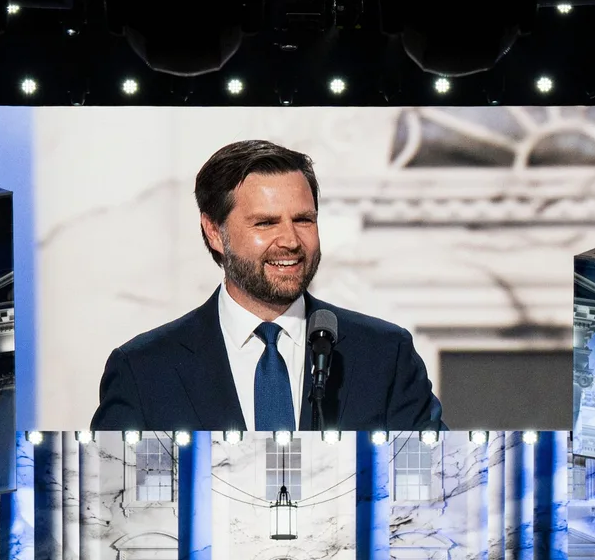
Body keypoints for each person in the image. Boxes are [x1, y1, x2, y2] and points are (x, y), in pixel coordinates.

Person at [91, 139, 445, 432]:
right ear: (215, 231)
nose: (290, 240)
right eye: (266, 223)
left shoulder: (384, 355)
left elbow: (440, 490)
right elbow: (109, 503)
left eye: (304, 220)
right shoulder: (144, 370)